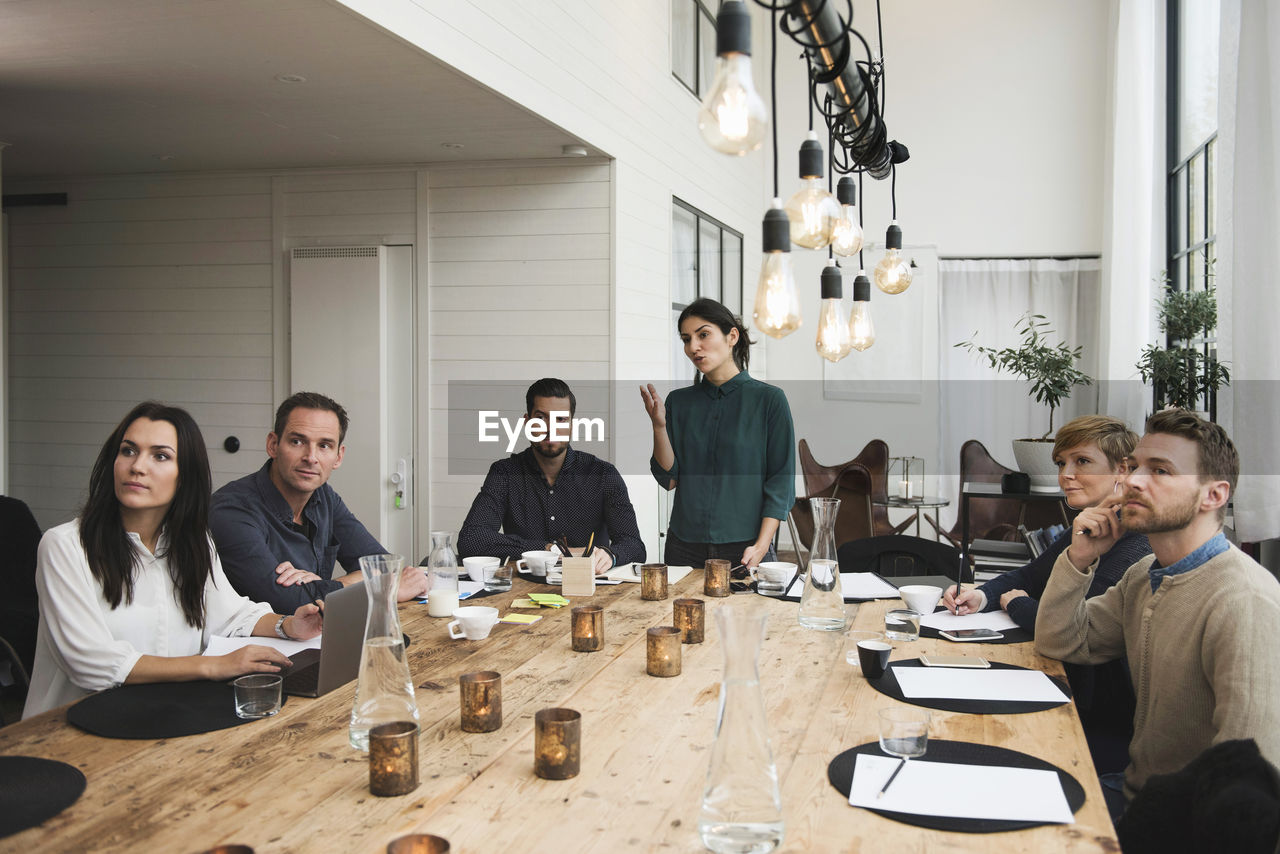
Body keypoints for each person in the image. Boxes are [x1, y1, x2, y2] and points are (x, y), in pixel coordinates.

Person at [1036, 410, 1280, 808]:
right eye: (1133, 467)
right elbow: (1062, 641)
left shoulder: (1244, 600)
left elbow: (1247, 789)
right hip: (1131, 791)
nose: (1131, 480)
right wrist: (1079, 558)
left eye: (1161, 471)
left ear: (1213, 495)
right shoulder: (1144, 574)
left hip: (1180, 825)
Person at [23, 402, 323, 718]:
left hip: (163, 719)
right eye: (128, 451)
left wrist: (288, 625)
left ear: (185, 476)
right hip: (68, 731)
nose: (137, 466)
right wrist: (212, 666)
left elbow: (231, 615)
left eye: (160, 456)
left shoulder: (192, 544)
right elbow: (90, 663)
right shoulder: (64, 547)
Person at [210, 392, 427, 613]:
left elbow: (387, 567)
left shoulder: (324, 496)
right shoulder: (232, 509)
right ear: (273, 445)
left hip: (313, 636)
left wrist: (321, 586)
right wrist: (370, 585)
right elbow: (284, 601)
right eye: (297, 441)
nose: (311, 457)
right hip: (250, 644)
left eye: (324, 445)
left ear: (338, 456)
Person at [944, 415, 1153, 628]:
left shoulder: (1137, 538)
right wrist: (981, 596)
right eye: (1061, 463)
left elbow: (1080, 626)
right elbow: (1031, 576)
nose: (1065, 474)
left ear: (1122, 470)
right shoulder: (1089, 526)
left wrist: (1018, 603)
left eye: (1082, 461)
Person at [642, 298, 795, 569]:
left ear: (731, 336)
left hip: (746, 547)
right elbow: (669, 479)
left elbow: (780, 483)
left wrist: (761, 546)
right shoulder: (678, 402)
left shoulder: (769, 400)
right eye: (686, 339)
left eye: (703, 335)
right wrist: (659, 427)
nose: (693, 347)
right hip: (683, 546)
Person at [458, 378, 644, 573]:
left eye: (561, 419)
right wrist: (548, 550)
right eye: (541, 418)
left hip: (591, 589)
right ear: (526, 423)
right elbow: (471, 539)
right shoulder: (504, 473)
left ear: (572, 425)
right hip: (524, 590)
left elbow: (634, 546)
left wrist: (610, 555)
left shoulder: (603, 474)